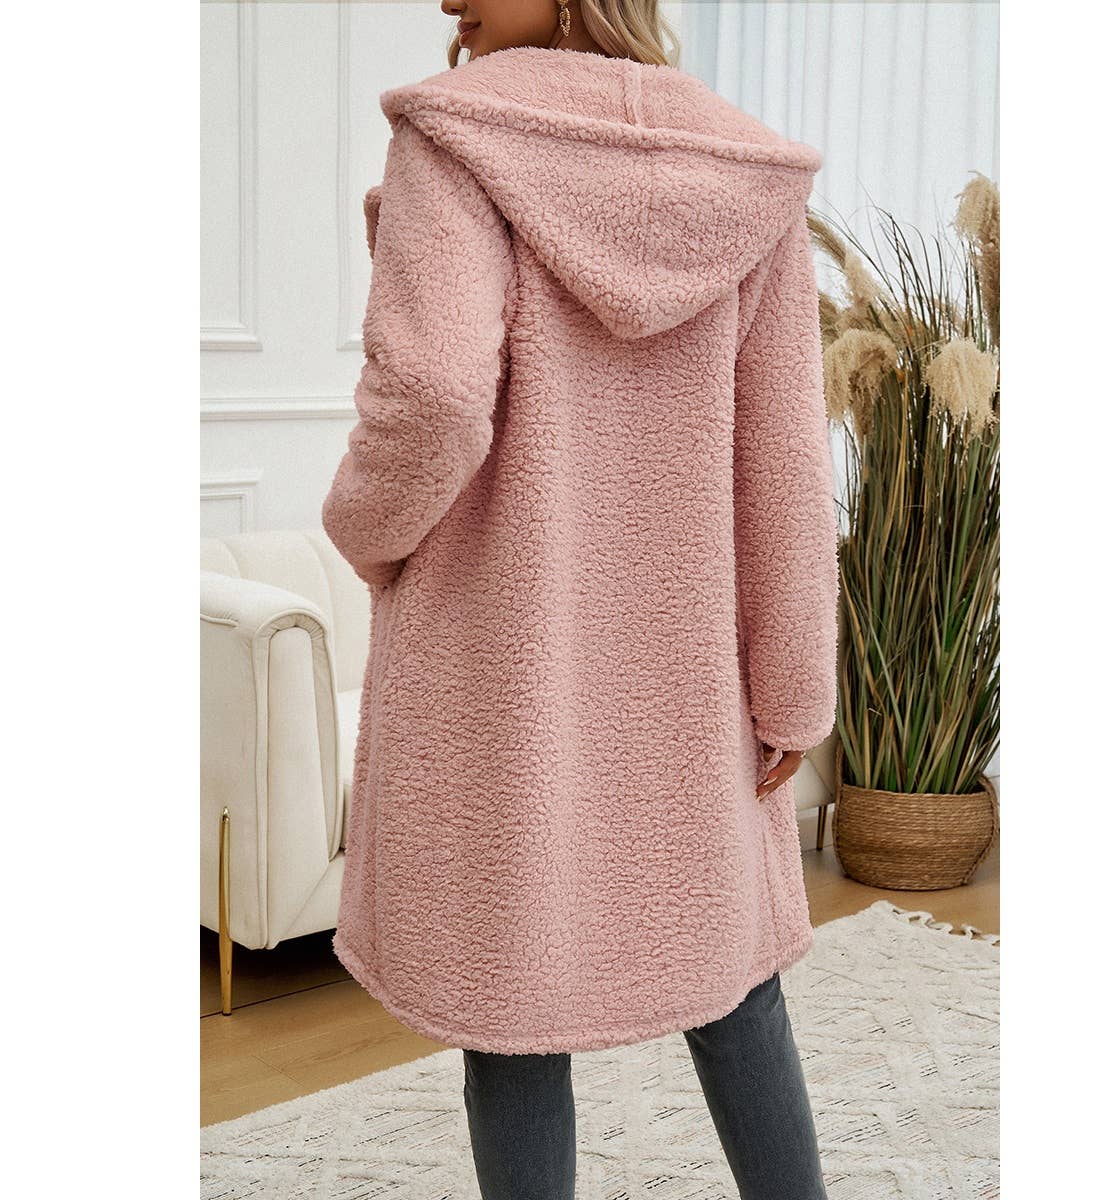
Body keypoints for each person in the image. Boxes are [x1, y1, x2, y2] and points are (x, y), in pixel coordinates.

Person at [321, 2, 838, 1196]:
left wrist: (362, 528)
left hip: (497, 655)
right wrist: (794, 685)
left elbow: (433, 398)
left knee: (509, 1004)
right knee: (733, 976)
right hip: (687, 667)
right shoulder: (744, 169)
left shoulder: (458, 138)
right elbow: (785, 463)